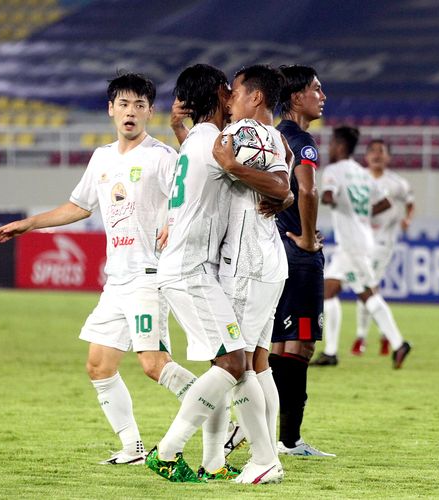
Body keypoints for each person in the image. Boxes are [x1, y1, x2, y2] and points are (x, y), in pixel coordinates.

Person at [0, 73, 198, 465]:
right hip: (117, 279)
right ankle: (132, 447)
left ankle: (223, 414)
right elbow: (80, 206)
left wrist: (173, 221)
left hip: (148, 276)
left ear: (149, 112)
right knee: (99, 365)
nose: (130, 112)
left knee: (153, 365)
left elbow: (187, 200)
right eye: (123, 104)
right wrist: (30, 223)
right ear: (110, 110)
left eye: (139, 105)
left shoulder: (162, 157)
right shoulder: (102, 158)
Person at [146, 64, 284, 485]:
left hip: (193, 268)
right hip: (192, 270)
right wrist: (286, 192)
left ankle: (214, 463)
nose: (232, 97)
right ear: (218, 96)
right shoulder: (219, 142)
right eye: (227, 90)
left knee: (233, 363)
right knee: (233, 362)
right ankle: (168, 453)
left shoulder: (198, 142)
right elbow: (276, 182)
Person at [212, 64, 294, 459]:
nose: (230, 101)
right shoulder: (276, 139)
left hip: (247, 263)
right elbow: (283, 188)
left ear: (256, 97)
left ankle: (261, 456)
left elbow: (280, 188)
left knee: (234, 362)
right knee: (259, 362)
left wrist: (232, 167)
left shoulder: (237, 135)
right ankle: (265, 447)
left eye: (237, 92)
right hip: (270, 260)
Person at [269, 65, 334, 457]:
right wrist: (309, 239)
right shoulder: (302, 141)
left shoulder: (271, 137)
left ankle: (266, 432)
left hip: (271, 250)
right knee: (302, 344)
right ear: (296, 97)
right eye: (316, 89)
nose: (322, 96)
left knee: (277, 342)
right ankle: (290, 439)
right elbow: (307, 191)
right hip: (298, 254)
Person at [311, 126, 412, 369]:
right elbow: (385, 202)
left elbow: (327, 196)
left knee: (367, 293)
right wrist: (362, 212)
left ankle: (399, 343)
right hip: (360, 239)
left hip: (353, 244)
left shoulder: (334, 170)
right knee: (330, 290)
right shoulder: (362, 173)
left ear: (340, 146)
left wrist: (329, 201)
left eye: (333, 143)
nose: (330, 148)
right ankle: (332, 352)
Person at [352, 139, 415, 357]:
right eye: (373, 151)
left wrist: (407, 219)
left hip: (382, 242)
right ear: (366, 156)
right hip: (360, 241)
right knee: (369, 288)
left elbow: (410, 202)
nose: (377, 155)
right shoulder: (357, 178)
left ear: (388, 157)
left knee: (366, 286)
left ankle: (362, 338)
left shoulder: (397, 183)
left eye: (382, 152)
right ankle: (384, 337)